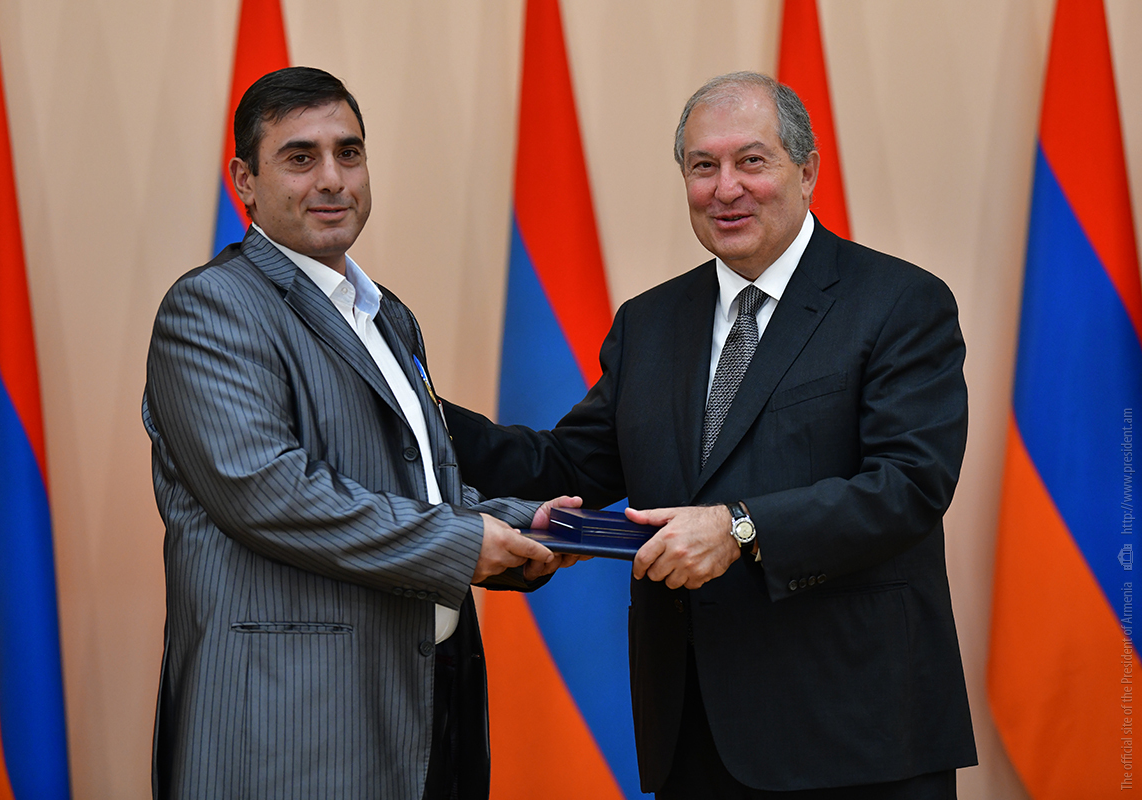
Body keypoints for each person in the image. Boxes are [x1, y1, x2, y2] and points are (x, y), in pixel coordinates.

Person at [444, 72, 977, 798]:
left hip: (857, 731)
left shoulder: (898, 302)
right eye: (703, 166)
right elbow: (566, 467)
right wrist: (411, 406)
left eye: (751, 161)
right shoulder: (649, 322)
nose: (726, 188)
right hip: (693, 735)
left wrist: (740, 528)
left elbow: (909, 485)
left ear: (807, 171)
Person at [142, 66, 578, 800]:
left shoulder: (386, 314)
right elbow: (270, 494)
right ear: (245, 181)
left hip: (424, 704)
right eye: (300, 157)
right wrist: (466, 543)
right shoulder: (212, 307)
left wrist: (523, 525)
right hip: (292, 726)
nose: (332, 179)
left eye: (349, 153)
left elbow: (417, 486)